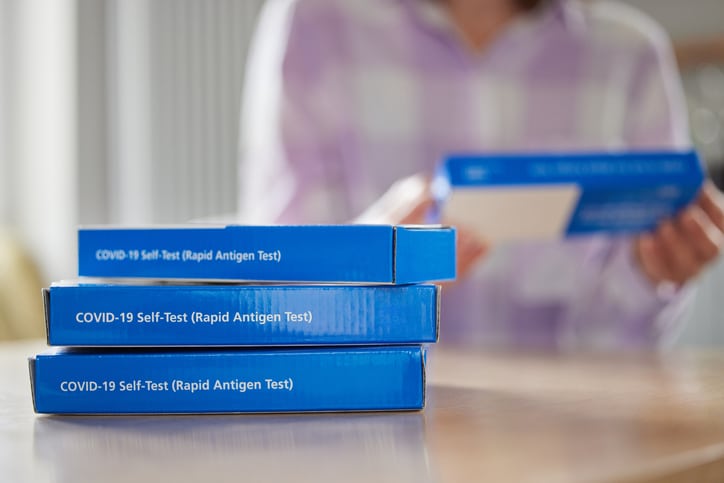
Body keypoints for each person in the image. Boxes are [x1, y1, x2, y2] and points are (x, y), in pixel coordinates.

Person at [238, 0, 724, 350]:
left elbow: (624, 346)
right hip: (368, 428)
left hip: (573, 436)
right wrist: (365, 263)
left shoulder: (632, 53)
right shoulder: (314, 21)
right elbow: (277, 295)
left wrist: (652, 275)